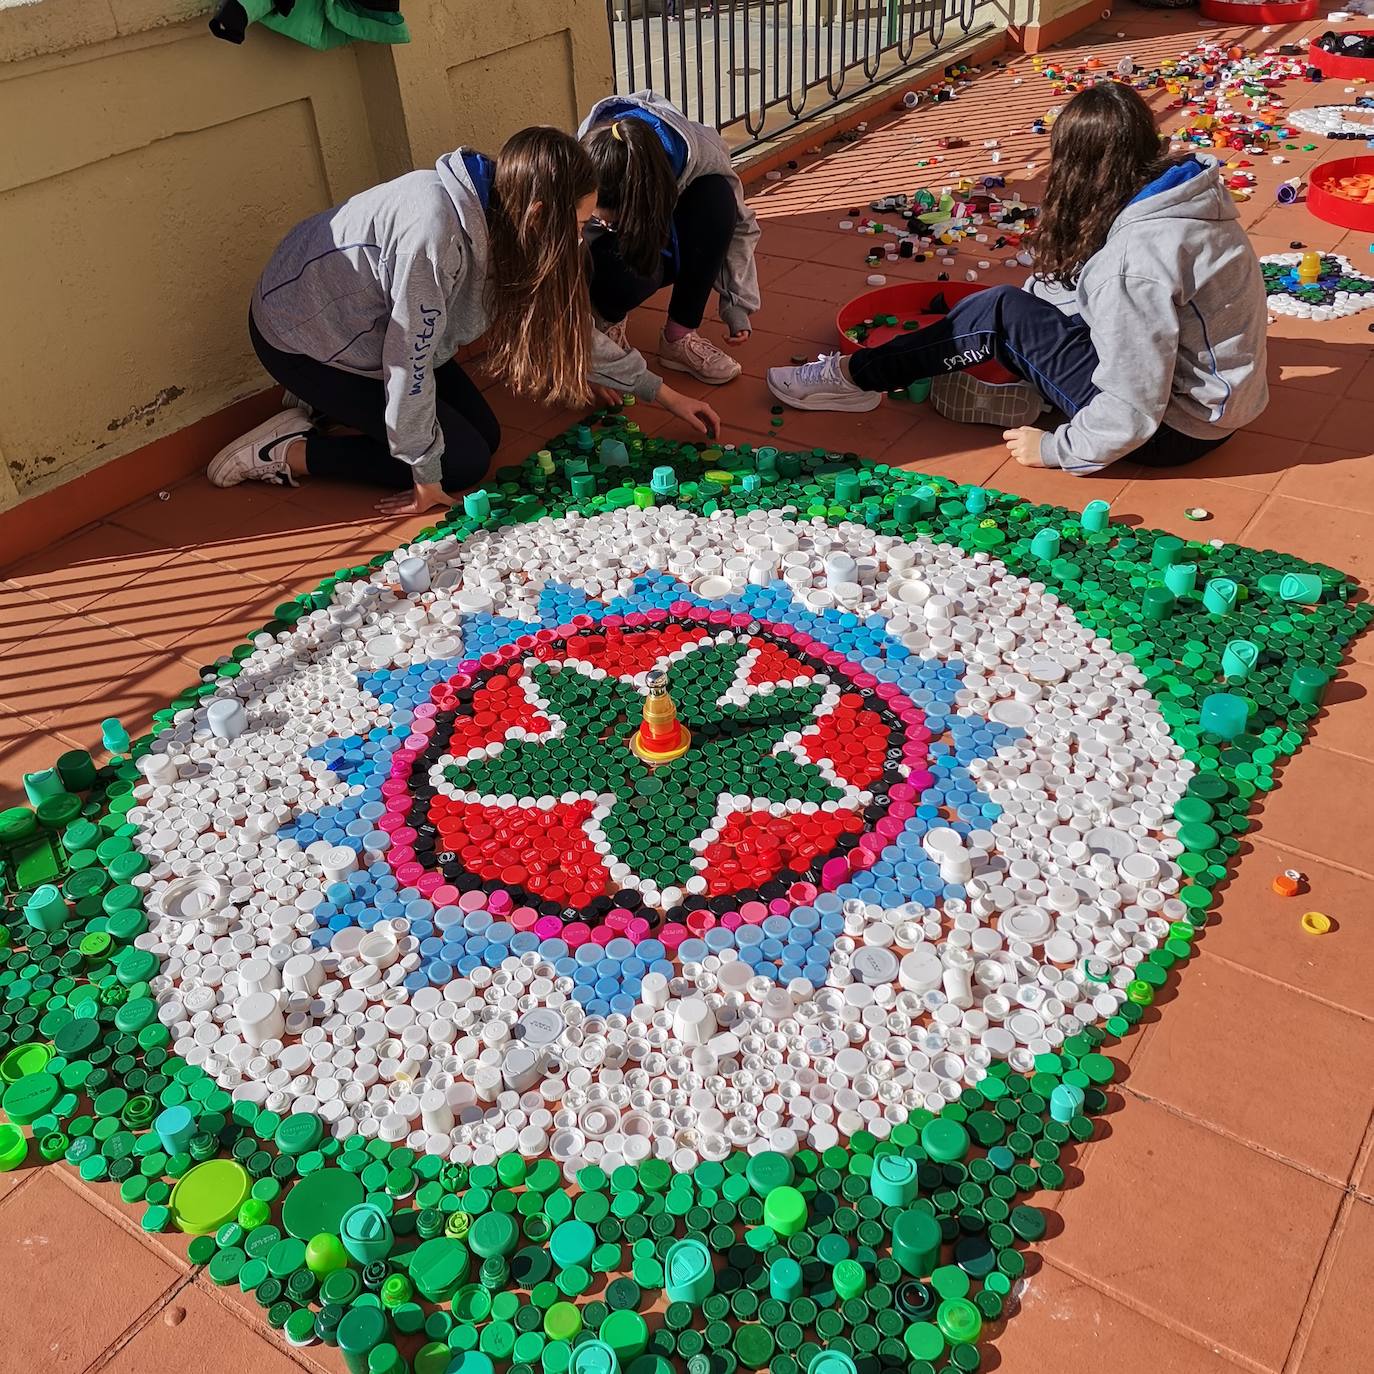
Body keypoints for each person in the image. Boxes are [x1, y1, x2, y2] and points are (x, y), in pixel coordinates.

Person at [766, 81, 1269, 476]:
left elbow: (1134, 402)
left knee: (998, 311)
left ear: (1079, 168)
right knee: (1011, 314)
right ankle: (1007, 362)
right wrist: (1029, 330)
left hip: (1173, 432)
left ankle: (853, 378)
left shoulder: (1133, 260)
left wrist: (1056, 448)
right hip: (1217, 407)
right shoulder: (1178, 198)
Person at [208, 127, 715, 515]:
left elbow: (565, 329)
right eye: (582, 224)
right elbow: (408, 363)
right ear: (541, 213)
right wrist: (425, 476)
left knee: (485, 436)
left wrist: (663, 394)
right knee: (461, 463)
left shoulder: (510, 207)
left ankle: (330, 403)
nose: (584, 237)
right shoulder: (434, 238)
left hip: (367, 329)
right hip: (303, 338)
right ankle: (287, 452)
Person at [579, 91, 761, 395]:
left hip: (662, 225)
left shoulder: (702, 152)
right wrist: (594, 357)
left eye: (614, 221)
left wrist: (738, 302)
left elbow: (741, 224)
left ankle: (679, 335)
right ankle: (604, 324)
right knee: (623, 272)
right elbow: (556, 272)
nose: (607, 225)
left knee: (717, 197)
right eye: (599, 219)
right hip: (612, 250)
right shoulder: (583, 159)